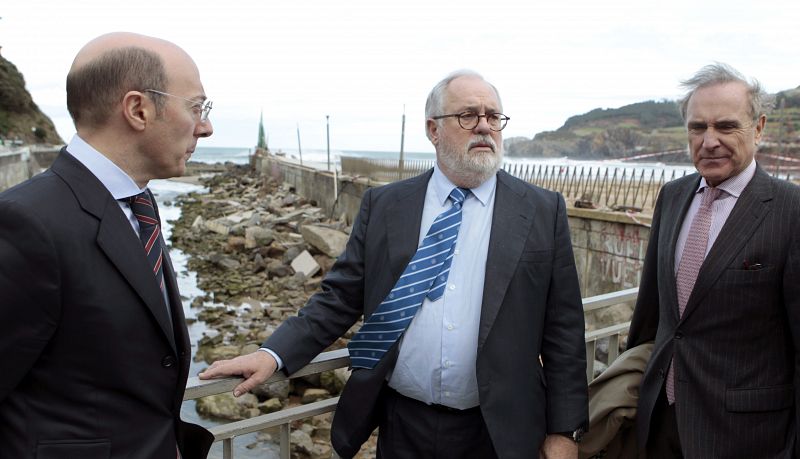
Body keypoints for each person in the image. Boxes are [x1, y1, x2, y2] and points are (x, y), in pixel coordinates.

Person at [200, 70, 588, 458]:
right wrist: (273, 354)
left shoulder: (541, 210)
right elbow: (340, 298)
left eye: (493, 116)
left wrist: (564, 433)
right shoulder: (386, 205)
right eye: (468, 115)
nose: (485, 126)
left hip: (501, 431)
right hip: (404, 426)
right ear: (433, 130)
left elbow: (564, 331)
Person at [0, 32, 215, 458]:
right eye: (197, 107)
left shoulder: (138, 202)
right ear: (138, 109)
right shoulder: (25, 222)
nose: (206, 127)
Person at [628, 63, 800, 458]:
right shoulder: (672, 197)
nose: (709, 141)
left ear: (757, 128)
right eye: (697, 128)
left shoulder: (791, 211)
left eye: (725, 126)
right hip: (659, 427)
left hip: (747, 438)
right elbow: (651, 316)